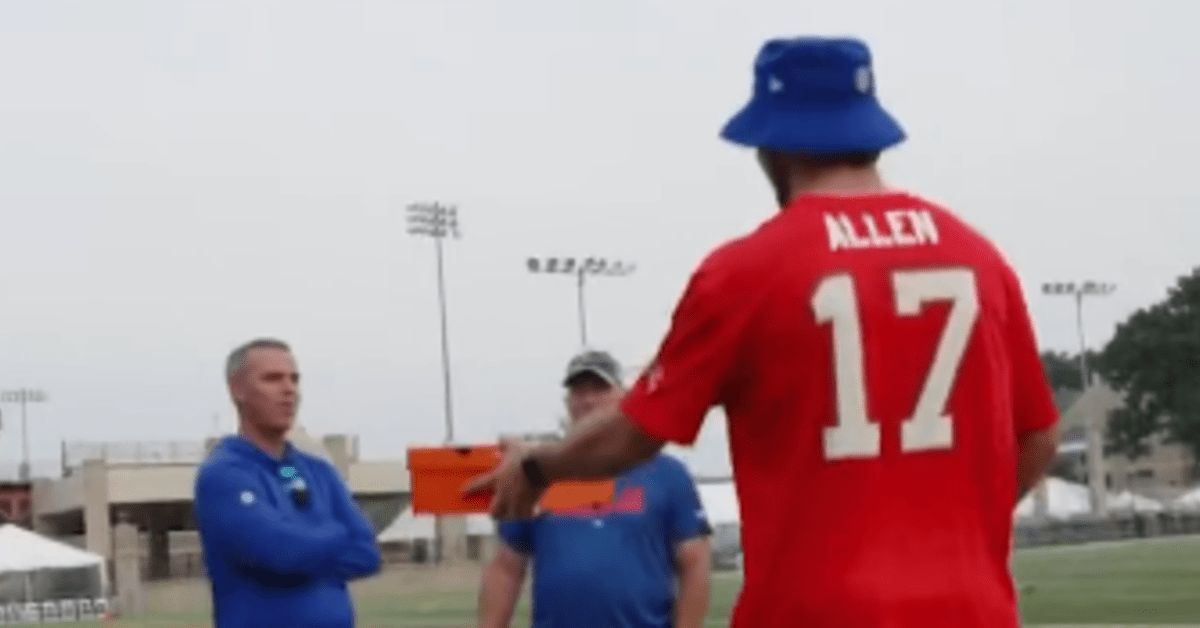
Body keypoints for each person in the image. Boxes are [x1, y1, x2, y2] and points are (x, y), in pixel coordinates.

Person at [466, 37, 1060, 628]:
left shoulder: (747, 271)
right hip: (972, 612)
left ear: (772, 146)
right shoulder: (980, 260)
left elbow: (637, 431)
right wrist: (943, 532)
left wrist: (540, 467)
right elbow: (1037, 439)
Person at [477, 350, 712, 628]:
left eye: (600, 389)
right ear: (568, 404)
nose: (588, 400)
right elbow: (507, 566)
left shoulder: (667, 473)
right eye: (579, 392)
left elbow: (695, 563)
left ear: (624, 398)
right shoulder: (541, 474)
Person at [194, 338, 381, 628]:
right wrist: (336, 533)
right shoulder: (224, 475)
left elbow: (367, 553)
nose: (288, 390)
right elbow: (281, 553)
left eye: (294, 379)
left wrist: (305, 547)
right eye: (272, 379)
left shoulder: (319, 471)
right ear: (237, 389)